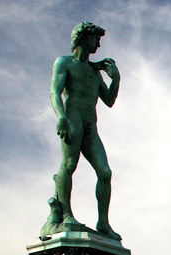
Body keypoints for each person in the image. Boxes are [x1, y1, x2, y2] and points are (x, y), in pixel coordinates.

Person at [49, 21, 122, 240]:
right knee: (69, 165)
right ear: (84, 38)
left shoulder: (93, 71)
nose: (98, 45)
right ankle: (66, 215)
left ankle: (103, 222)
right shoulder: (65, 62)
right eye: (96, 39)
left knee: (105, 172)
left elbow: (108, 100)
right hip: (72, 118)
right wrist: (61, 116)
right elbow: (55, 91)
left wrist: (116, 79)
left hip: (91, 123)